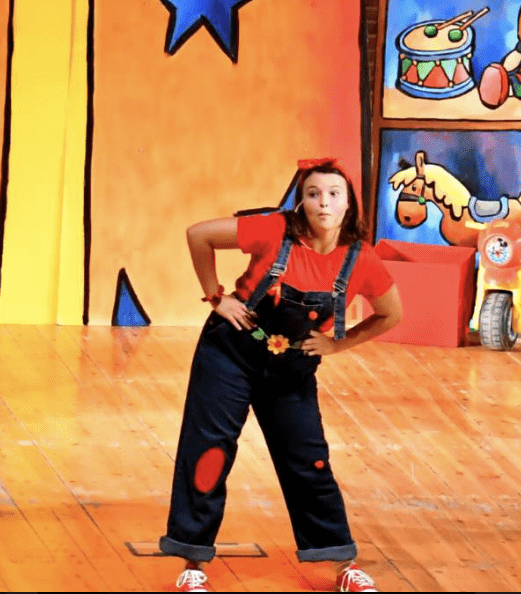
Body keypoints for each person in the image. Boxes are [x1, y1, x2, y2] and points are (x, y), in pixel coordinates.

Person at [161, 158, 403, 593]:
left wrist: (337, 345)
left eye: (333, 194)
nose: (323, 202)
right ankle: (192, 563)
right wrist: (216, 297)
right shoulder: (274, 230)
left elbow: (391, 314)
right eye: (313, 194)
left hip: (291, 371)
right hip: (230, 354)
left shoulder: (362, 259)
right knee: (208, 453)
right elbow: (199, 234)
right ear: (301, 202)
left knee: (310, 462)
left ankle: (342, 564)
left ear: (348, 204)